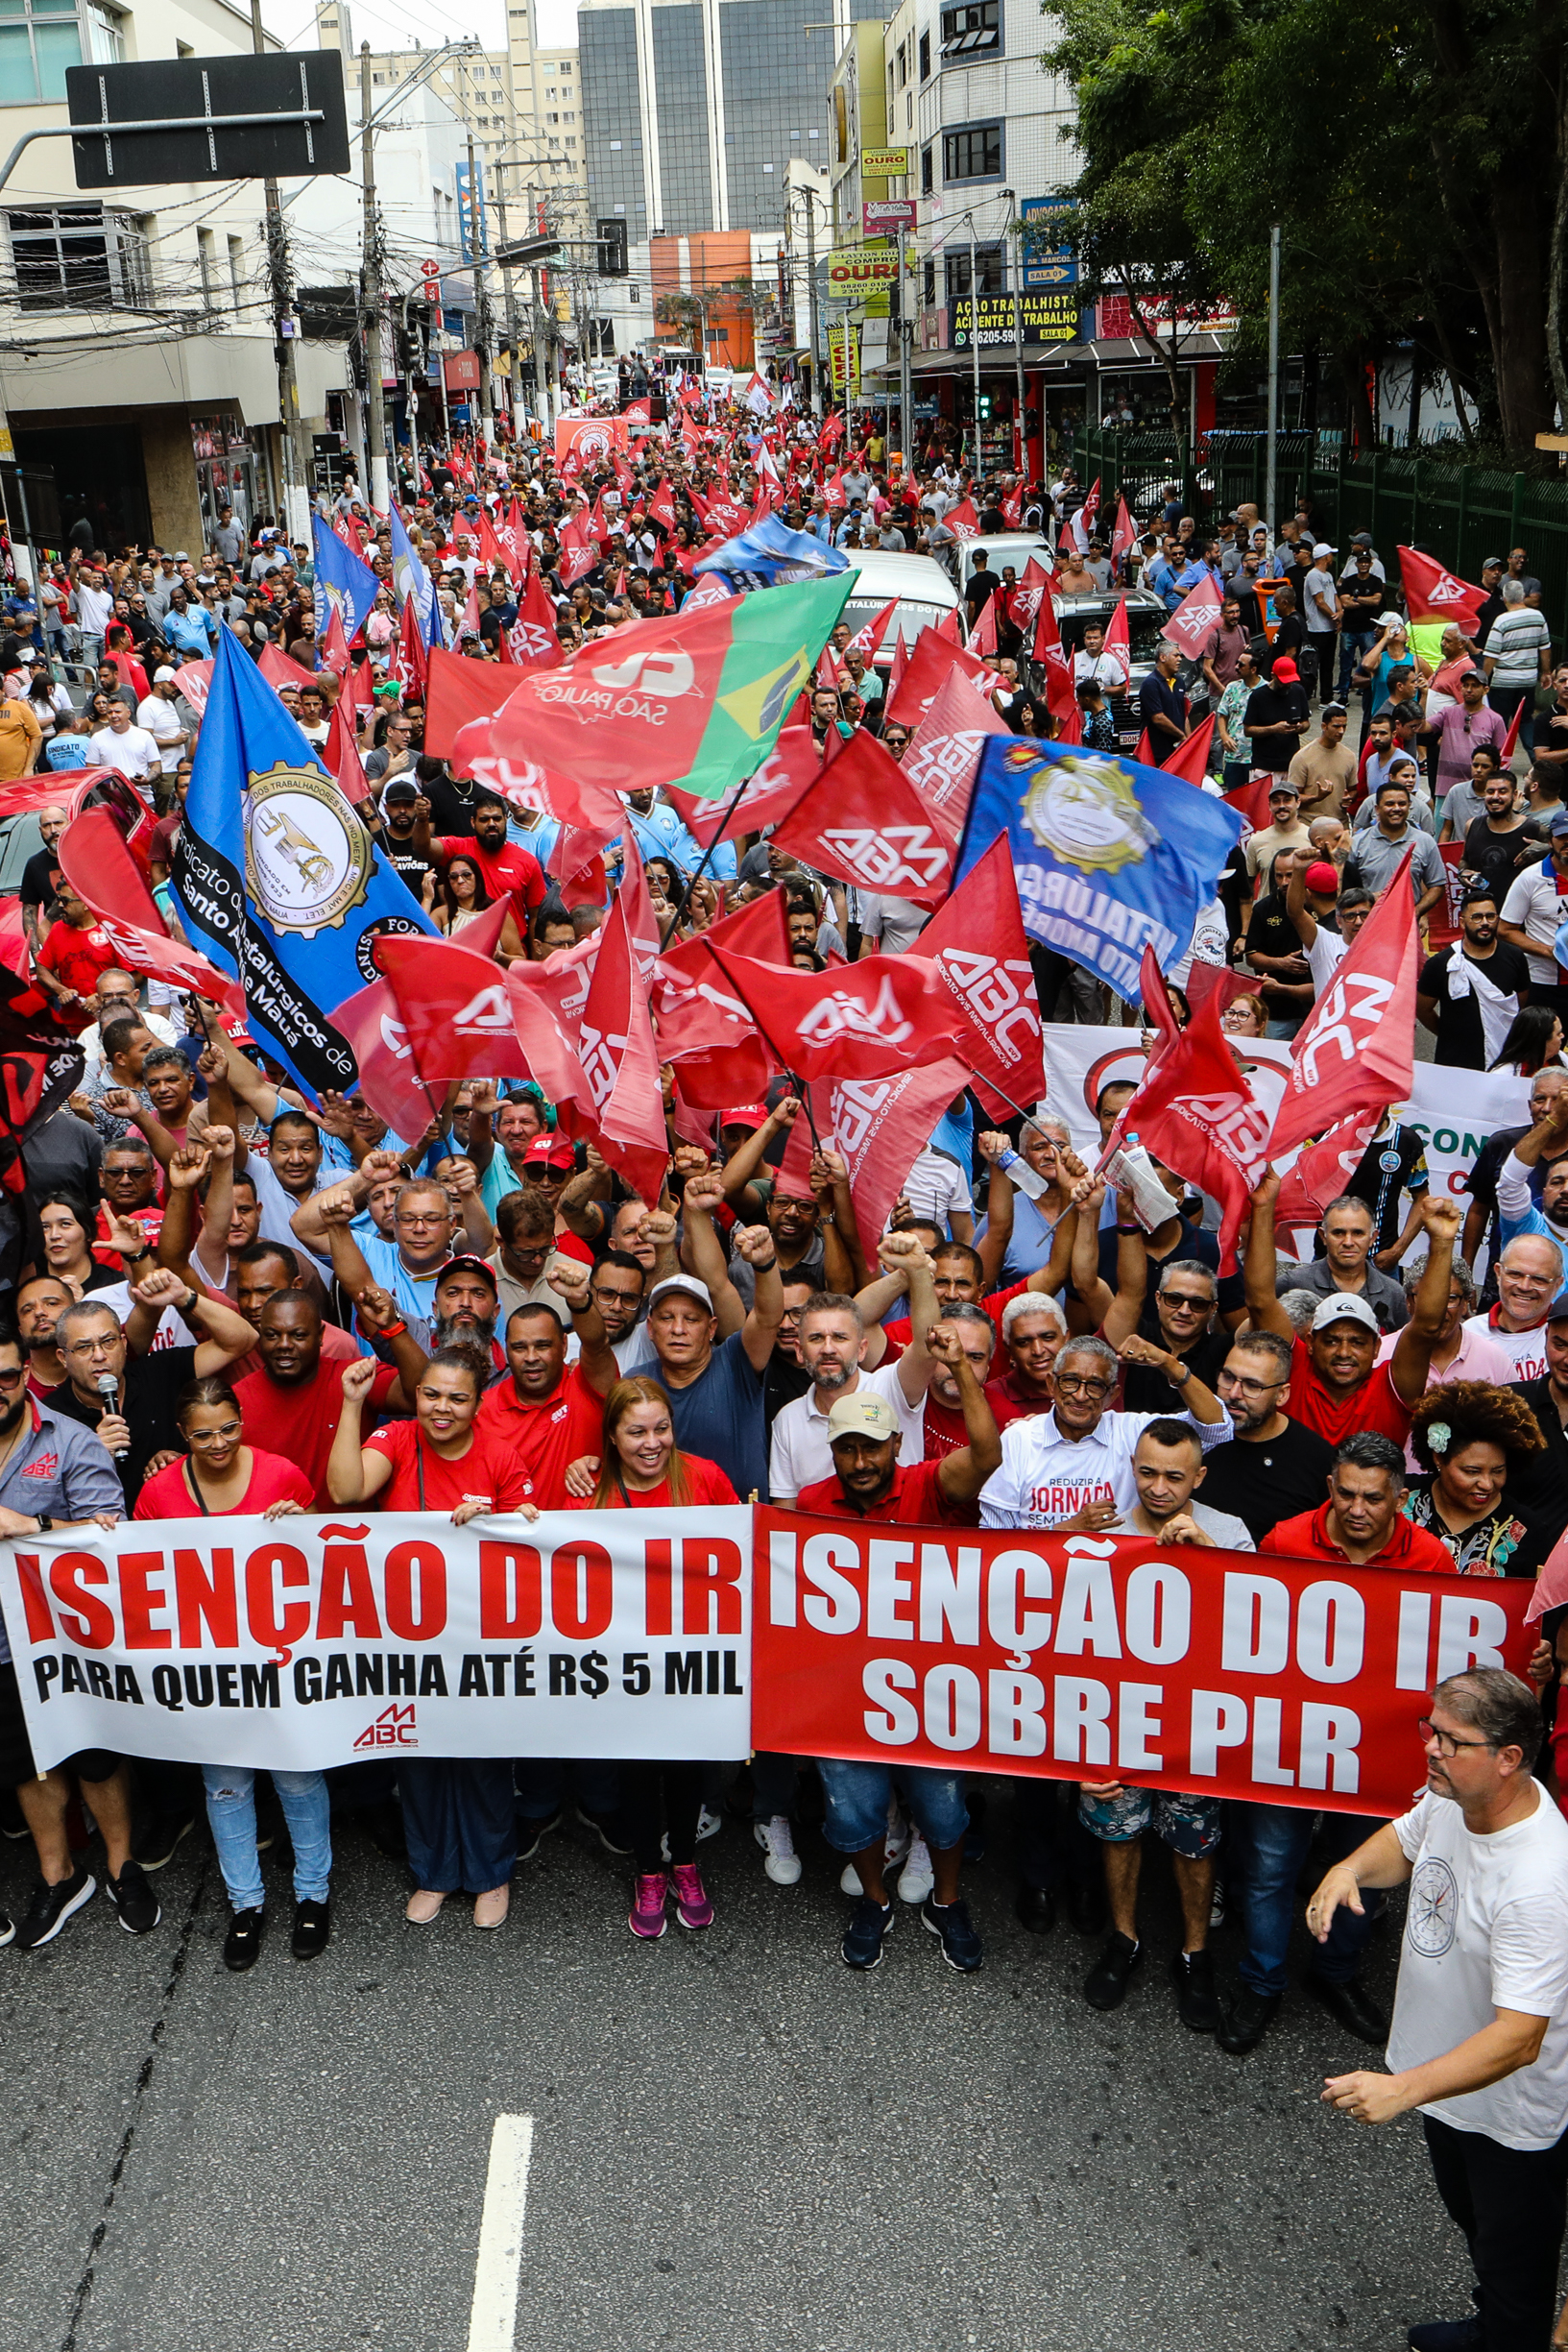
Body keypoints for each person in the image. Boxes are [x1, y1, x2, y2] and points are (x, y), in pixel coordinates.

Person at [1310, 1669, 1568, 2352]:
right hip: (1444, 2087)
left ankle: (1505, 2336)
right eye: (1430, 1730)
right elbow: (1403, 1839)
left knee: (1517, 2272)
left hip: (1506, 2118)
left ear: (1507, 1757)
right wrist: (1347, 1869)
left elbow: (1518, 2038)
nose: (1429, 1749)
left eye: (1449, 1740)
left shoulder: (1537, 1880)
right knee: (1477, 2229)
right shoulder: (1455, 1798)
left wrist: (1399, 2088)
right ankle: (1487, 2325)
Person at [1215, 1434, 1455, 2057]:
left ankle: (1335, 1973)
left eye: (1373, 1497)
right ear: (1328, 1486)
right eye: (1345, 1492)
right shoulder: (1284, 1541)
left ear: (1399, 1498)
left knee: (1367, 1870)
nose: (1356, 1508)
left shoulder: (1431, 1560)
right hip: (1287, 1743)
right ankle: (1262, 1979)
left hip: (1375, 1749)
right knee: (1269, 1867)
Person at [797, 1370, 1001, 1976]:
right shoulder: (810, 1505)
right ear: (833, 1451)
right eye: (847, 1448)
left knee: (941, 1810)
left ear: (896, 1446)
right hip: (844, 1692)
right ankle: (877, 1902)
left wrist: (963, 1372)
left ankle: (948, 1900)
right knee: (852, 1813)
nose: (860, 1461)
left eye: (872, 1446)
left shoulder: (929, 1486)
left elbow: (987, 1455)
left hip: (929, 1689)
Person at [327, 1348, 534, 1929]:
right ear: (416, 1395)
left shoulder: (499, 1455)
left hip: (482, 1638)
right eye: (431, 1395)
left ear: (478, 1403)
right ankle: (435, 1873)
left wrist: (495, 1520)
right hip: (407, 1637)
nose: (442, 1409)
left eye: (458, 1398)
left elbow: (534, 1535)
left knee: (483, 1760)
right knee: (418, 1758)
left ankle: (492, 1873)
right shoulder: (395, 1439)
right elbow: (345, 1490)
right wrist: (351, 1403)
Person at [130, 1375, 328, 1969]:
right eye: (202, 1434)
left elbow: (324, 1562)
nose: (218, 1443)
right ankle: (247, 1905)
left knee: (296, 1779)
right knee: (225, 1784)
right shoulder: (160, 1491)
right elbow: (136, 1574)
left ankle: (313, 1896)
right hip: (207, 1665)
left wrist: (302, 1521)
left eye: (229, 1429)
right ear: (181, 1434)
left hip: (279, 1658)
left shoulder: (281, 1472)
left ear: (243, 1420)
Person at [1076, 1419, 1252, 2034]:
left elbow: (1259, 1631)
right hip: (1116, 1722)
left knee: (1195, 1843)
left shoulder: (1228, 1531)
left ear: (1199, 1477)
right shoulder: (1103, 1534)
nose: (1157, 1487)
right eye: (1146, 1472)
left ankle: (1194, 1953)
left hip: (1195, 1728)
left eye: (1174, 1476)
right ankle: (1123, 1940)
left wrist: (1209, 1557)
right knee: (1118, 1834)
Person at [571, 1375, 738, 1938]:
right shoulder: (585, 1491)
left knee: (689, 1766)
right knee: (638, 1769)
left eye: (662, 1428)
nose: (652, 1443)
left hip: (693, 1655)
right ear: (612, 1438)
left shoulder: (705, 1477)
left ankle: (685, 1862)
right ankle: (648, 1869)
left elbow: (738, 1559)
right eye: (636, 1431)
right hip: (622, 1661)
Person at [0, 1315, 149, 1949]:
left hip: (66, 1638)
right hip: (0, 1646)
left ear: (27, 1373)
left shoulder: (70, 1440)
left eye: (5, 1374)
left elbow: (108, 1536)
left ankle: (121, 1866)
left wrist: (29, 1528)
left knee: (94, 1755)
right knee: (25, 1763)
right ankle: (58, 1875)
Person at [1243, 1178, 1459, 1445]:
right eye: (1332, 1340)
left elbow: (1426, 1327)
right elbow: (1260, 1301)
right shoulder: (1294, 1374)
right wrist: (1263, 1208)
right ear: (1309, 1342)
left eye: (1357, 1342)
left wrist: (1442, 1242)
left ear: (1377, 1347)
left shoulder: (1391, 1388)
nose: (1344, 1352)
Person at [978, 1329, 1231, 1531]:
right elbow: (994, 1538)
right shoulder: (1019, 1439)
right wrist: (1066, 1530)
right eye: (1070, 1381)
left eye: (1095, 1386)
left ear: (1113, 1395)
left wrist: (1169, 1364)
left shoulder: (1133, 1432)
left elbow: (1215, 1428)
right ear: (1051, 1385)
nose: (1080, 1395)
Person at [1195, 1328, 1338, 1542]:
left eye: (1252, 1386)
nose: (1234, 1393)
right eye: (1227, 1377)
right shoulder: (1192, 1436)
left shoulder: (1317, 1459)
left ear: (1282, 1394)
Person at [1400, 1381, 1552, 1577]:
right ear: (1438, 1458)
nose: (1487, 1484)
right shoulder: (1398, 1499)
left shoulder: (1529, 1532)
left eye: (1498, 1471)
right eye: (1472, 1471)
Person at [1417, 888, 1530, 1070]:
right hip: (1456, 1062)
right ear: (1462, 922)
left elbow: (1521, 1005)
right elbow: (1422, 1009)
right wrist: (1449, 1035)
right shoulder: (1441, 963)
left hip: (1504, 1058)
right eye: (1477, 917)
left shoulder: (1515, 956)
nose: (1485, 923)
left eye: (1490, 916)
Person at [1274, 1193, 1410, 1331]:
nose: (1348, 1242)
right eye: (1339, 1233)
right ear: (1323, 1236)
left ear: (1372, 1238)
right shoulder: (1293, 1283)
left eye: (1358, 1233)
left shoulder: (1393, 1293)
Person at [1500, 812, 1568, 1030]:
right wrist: (1549, 951)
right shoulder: (1531, 878)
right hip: (1543, 983)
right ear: (1550, 841)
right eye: (1562, 837)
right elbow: (1505, 929)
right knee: (1541, 1051)